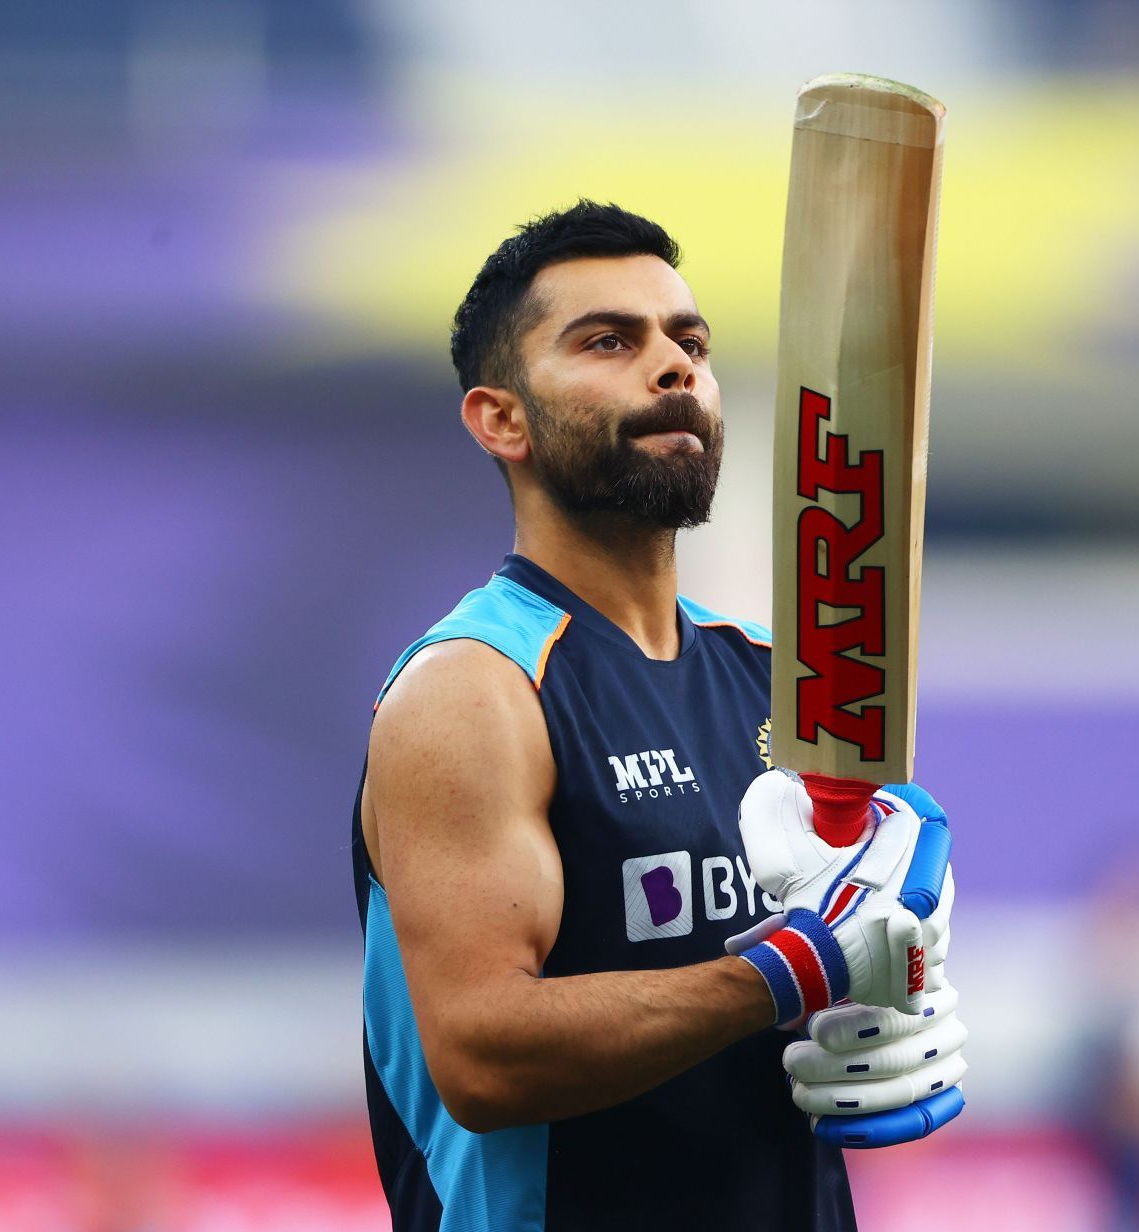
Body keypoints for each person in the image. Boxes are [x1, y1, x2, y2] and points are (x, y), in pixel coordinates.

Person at [351, 201, 962, 1232]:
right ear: (501, 418)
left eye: (690, 343)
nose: (673, 366)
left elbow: (846, 956)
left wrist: (896, 990)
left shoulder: (782, 678)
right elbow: (485, 1052)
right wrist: (796, 967)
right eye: (608, 341)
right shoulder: (474, 688)